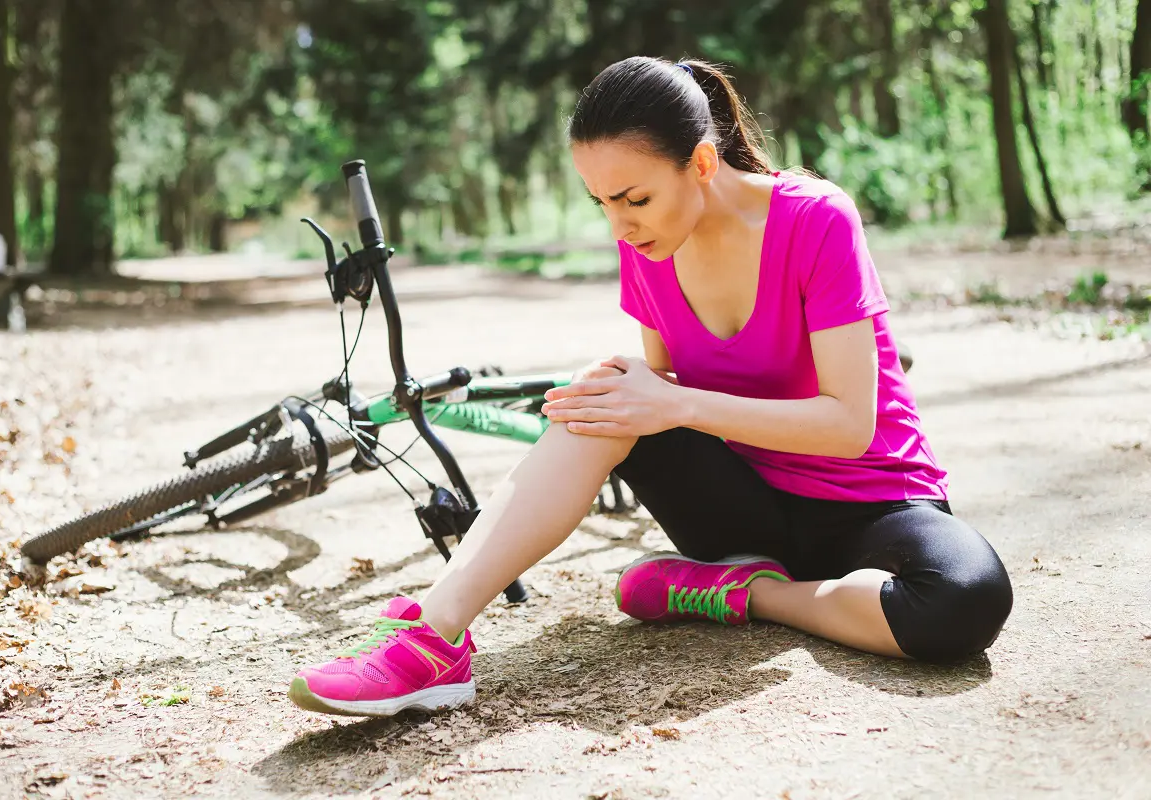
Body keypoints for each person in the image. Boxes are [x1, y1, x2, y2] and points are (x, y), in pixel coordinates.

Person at [287, 56, 1014, 718]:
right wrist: (625, 394)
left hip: (874, 510)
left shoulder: (815, 219)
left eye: (633, 199)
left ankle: (745, 595)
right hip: (739, 514)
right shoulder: (649, 248)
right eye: (601, 203)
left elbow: (850, 424)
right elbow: (661, 389)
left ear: (701, 162)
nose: (619, 227)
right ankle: (430, 638)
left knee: (967, 601)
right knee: (606, 399)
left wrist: (677, 401)